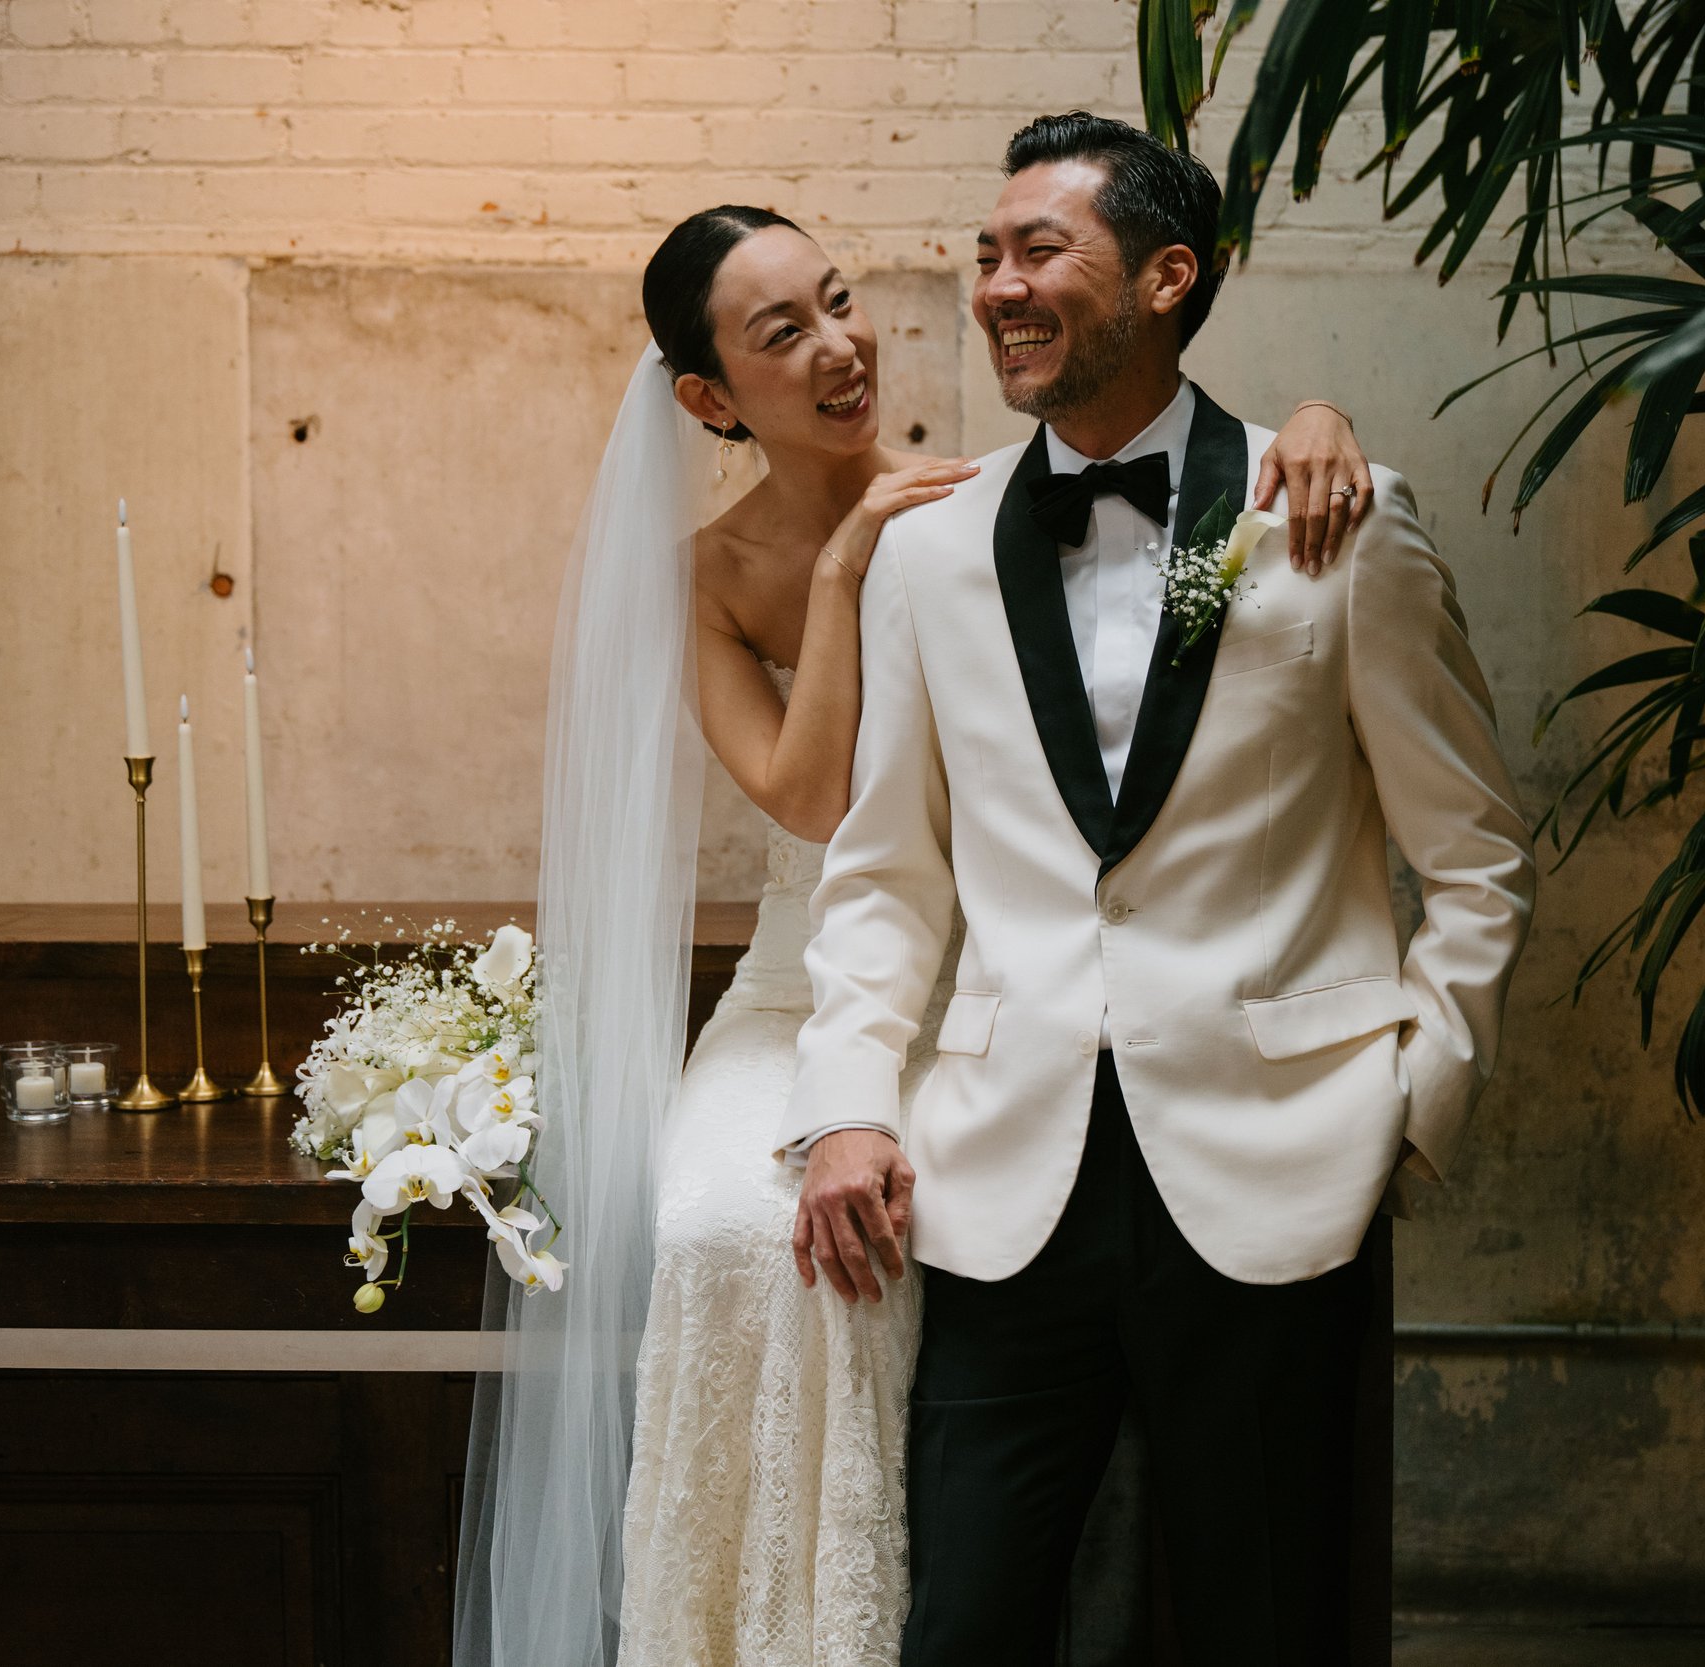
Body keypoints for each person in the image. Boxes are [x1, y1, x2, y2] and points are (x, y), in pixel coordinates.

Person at [455, 200, 1377, 1667]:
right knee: (721, 1230)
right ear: (709, 399)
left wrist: (1319, 415)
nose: (839, 348)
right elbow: (816, 804)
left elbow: (1165, 434)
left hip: (1003, 971)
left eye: (838, 301)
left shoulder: (980, 497)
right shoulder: (713, 578)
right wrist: (839, 576)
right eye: (783, 334)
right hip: (806, 979)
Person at [781, 113, 1539, 1665]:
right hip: (1005, 1185)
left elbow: (1475, 855)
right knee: (968, 1623)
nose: (997, 284)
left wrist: (1415, 1097)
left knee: (1269, 1621)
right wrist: (850, 1097)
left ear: (1167, 276)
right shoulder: (930, 557)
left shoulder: (1332, 518)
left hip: (1280, 1165)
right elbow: (884, 875)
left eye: (1040, 249)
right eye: (986, 254)